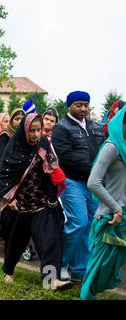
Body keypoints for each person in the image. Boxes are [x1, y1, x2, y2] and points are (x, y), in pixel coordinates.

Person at [0, 113, 71, 290]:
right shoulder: (13, 148)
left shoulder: (44, 143)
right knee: (15, 242)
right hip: (20, 205)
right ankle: (9, 272)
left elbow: (53, 170)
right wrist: (9, 198)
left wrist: (52, 197)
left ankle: (50, 281)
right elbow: (4, 175)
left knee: (50, 241)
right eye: (32, 131)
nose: (37, 134)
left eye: (39, 130)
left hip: (41, 202)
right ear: (24, 130)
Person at [52, 91, 105, 282]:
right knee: (78, 223)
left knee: (91, 226)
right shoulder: (61, 128)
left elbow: (102, 151)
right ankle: (63, 264)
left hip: (94, 184)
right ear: (69, 106)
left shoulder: (96, 127)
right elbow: (66, 156)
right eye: (78, 105)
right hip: (72, 182)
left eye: (86, 104)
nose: (83, 108)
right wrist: (96, 168)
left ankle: (81, 269)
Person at [81, 107, 126, 299]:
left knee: (111, 267)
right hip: (110, 218)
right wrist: (115, 209)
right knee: (97, 271)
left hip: (122, 217)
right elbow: (93, 182)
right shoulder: (112, 146)